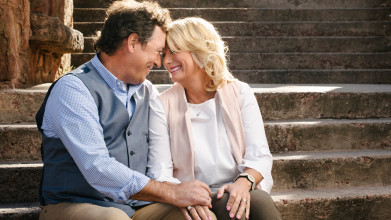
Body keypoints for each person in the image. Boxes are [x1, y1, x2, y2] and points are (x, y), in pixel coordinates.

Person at [35, 1, 214, 220]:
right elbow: (97, 168)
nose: (159, 62)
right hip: (73, 205)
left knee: (196, 217)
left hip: (136, 208)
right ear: (133, 42)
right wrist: (171, 192)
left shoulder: (148, 92)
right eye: (158, 51)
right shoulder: (73, 88)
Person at [147, 17, 282, 220]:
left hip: (235, 186)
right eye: (164, 53)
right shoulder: (162, 104)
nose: (166, 61)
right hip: (189, 194)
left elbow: (260, 155)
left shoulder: (239, 92)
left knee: (256, 202)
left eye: (174, 51)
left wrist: (243, 183)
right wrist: (184, 195)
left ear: (198, 49)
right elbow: (160, 171)